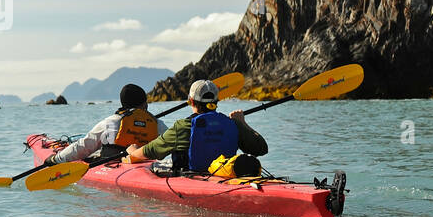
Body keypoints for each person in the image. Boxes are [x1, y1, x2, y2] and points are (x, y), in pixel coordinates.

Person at [125, 78, 267, 173]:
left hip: (191, 179)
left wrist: (132, 153)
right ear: (216, 101)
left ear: (191, 101)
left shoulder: (183, 127)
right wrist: (243, 123)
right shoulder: (233, 124)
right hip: (222, 175)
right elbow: (261, 149)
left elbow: (150, 151)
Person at [43, 84, 166, 165]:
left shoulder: (111, 122)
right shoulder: (156, 124)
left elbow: (83, 147)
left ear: (123, 103)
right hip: (146, 166)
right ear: (145, 104)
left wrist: (56, 159)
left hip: (113, 166)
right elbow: (173, 141)